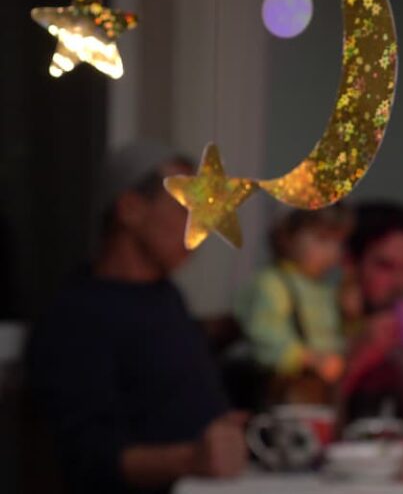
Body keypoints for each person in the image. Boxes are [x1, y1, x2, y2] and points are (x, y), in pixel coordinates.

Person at [28, 140, 247, 494]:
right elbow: (85, 458)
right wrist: (192, 459)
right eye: (186, 206)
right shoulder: (76, 317)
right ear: (130, 209)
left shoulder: (165, 297)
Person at [234, 207, 352, 405]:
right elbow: (264, 336)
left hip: (319, 393)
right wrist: (307, 359)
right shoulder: (274, 284)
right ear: (286, 237)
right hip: (281, 393)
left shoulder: (325, 289)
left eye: (338, 242)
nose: (332, 251)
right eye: (322, 240)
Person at [339, 201, 403, 419]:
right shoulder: (320, 322)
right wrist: (357, 359)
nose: (400, 283)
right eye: (385, 266)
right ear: (350, 263)